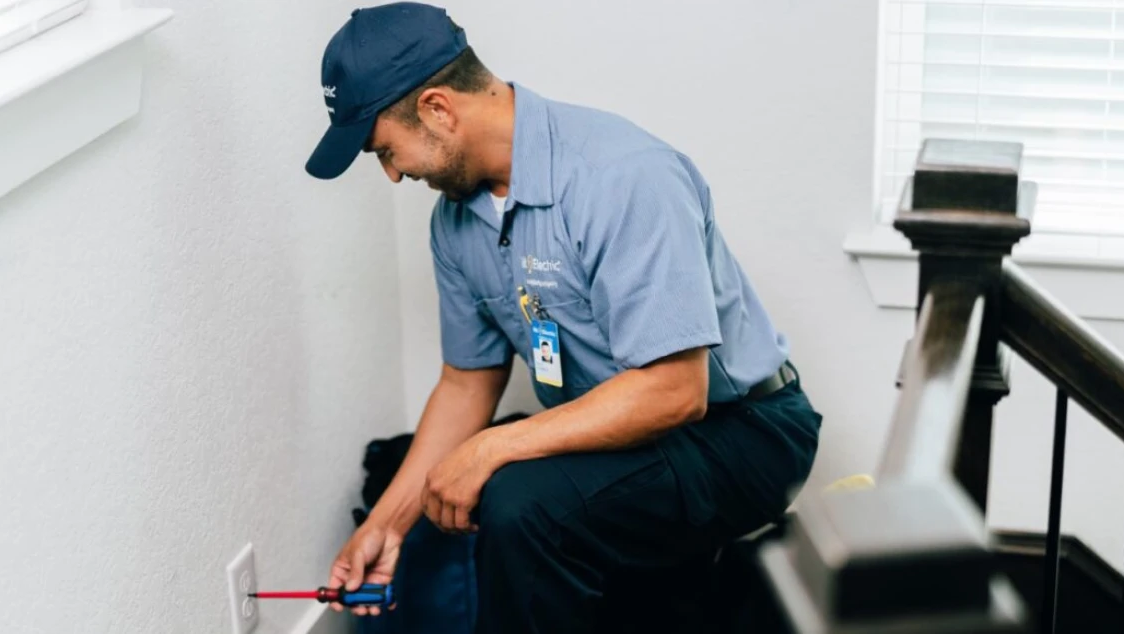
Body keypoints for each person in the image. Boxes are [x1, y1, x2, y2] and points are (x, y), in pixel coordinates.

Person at [307, 4, 821, 632]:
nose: (391, 174)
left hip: (743, 430)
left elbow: (673, 392)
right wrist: (388, 529)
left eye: (385, 149)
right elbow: (468, 382)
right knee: (500, 484)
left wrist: (490, 448)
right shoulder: (453, 224)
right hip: (633, 438)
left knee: (519, 503)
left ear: (438, 109)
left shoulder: (622, 176)